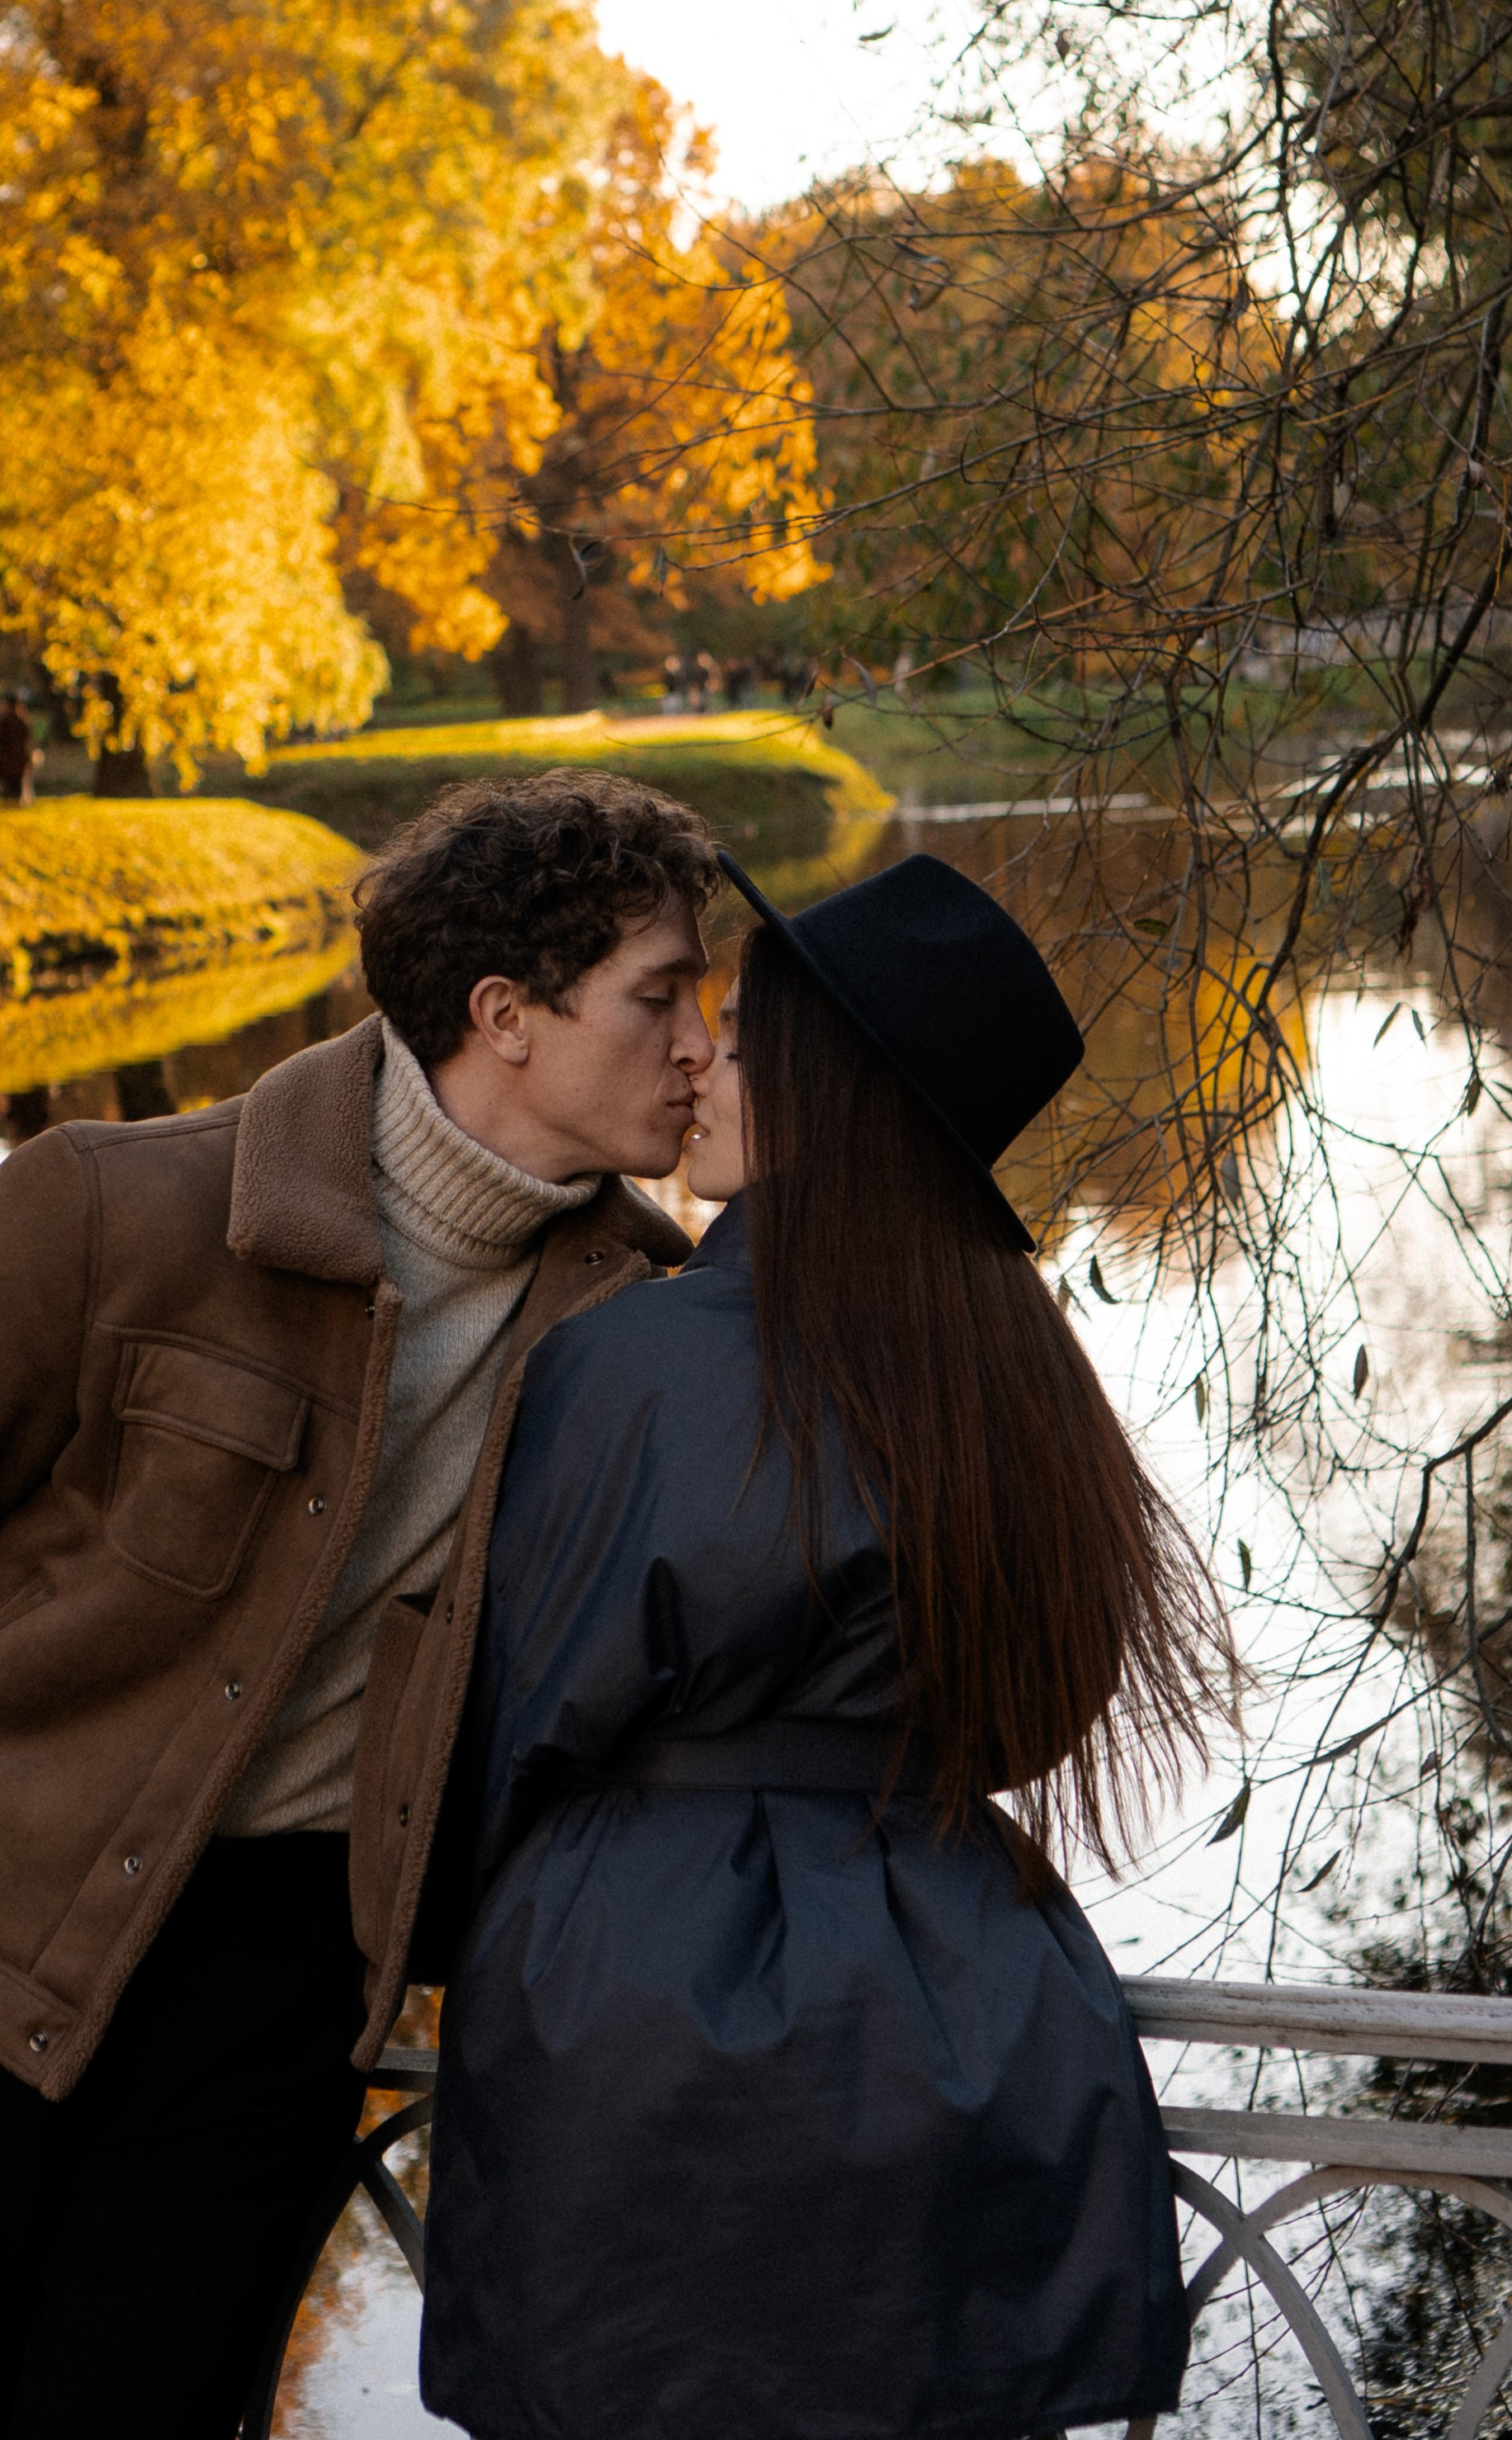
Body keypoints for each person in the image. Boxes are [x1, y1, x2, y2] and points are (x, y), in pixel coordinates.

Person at [0, 773, 719, 2440]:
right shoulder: (110, 1205)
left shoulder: (639, 1327)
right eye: (660, 994)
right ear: (503, 1016)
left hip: (284, 1979)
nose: (699, 1042)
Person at [420, 851, 1236, 2440]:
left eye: (738, 1035)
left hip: (636, 2013)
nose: (699, 1061)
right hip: (957, 1987)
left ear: (826, 1089)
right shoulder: (1022, 1369)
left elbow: (520, 1707)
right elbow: (1035, 1709)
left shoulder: (638, 1364)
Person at [0, 688, 37, 802]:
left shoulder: (4, 721)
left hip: (6, 761)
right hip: (19, 760)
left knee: (9, 787)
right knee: (15, 786)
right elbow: (28, 741)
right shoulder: (22, 721)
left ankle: (9, 804)